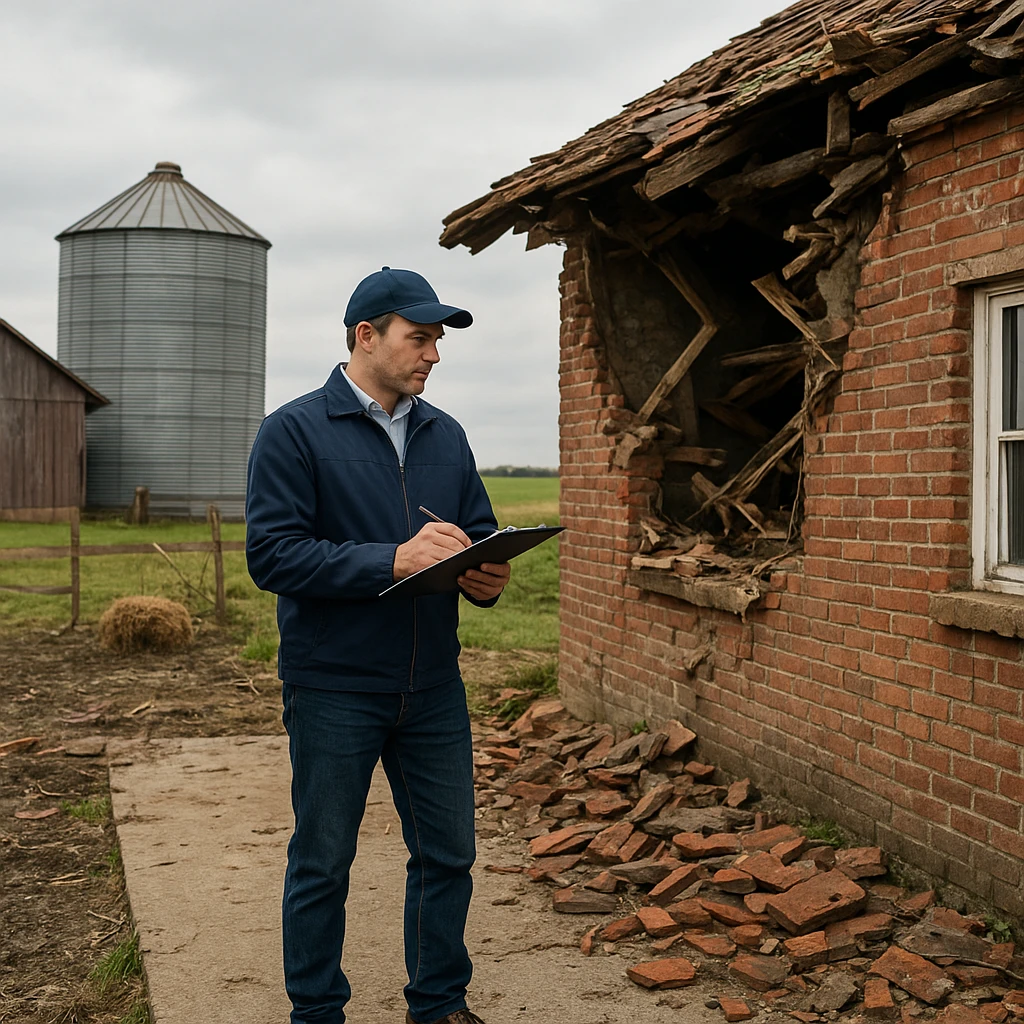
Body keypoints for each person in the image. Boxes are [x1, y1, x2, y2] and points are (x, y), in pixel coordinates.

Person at [245, 267, 511, 1024]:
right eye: (419, 337)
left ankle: (438, 1005)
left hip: (432, 683)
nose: (433, 355)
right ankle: (317, 1012)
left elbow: (478, 530)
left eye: (436, 341)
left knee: (448, 854)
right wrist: (391, 558)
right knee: (324, 862)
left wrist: (486, 574)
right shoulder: (293, 431)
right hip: (333, 685)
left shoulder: (444, 432)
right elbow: (274, 557)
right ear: (367, 336)